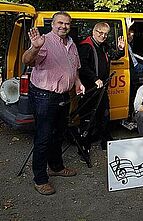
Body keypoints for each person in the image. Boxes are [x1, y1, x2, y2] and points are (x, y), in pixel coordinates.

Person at [22, 11, 85, 195]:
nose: (63, 26)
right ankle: (40, 179)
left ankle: (56, 167)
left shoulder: (72, 44)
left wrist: (78, 82)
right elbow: (28, 60)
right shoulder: (45, 41)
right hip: (44, 96)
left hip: (64, 95)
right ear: (52, 24)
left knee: (59, 134)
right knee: (44, 137)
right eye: (60, 23)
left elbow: (74, 68)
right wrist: (34, 48)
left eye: (66, 23)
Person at [78, 22, 125, 151]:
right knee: (87, 117)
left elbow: (114, 56)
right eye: (100, 33)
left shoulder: (103, 46)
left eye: (105, 34)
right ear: (94, 31)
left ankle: (106, 142)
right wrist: (95, 79)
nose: (103, 36)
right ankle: (84, 145)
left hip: (102, 88)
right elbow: (82, 67)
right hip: (89, 88)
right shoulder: (86, 46)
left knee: (104, 115)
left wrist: (120, 49)